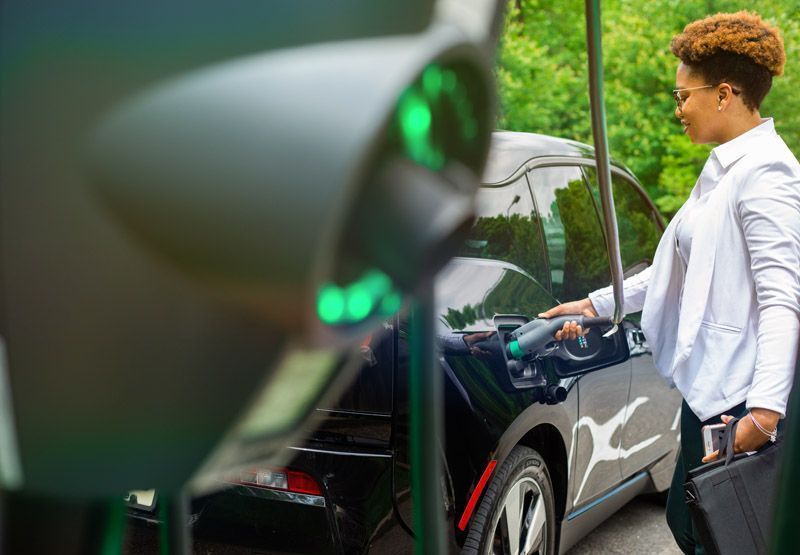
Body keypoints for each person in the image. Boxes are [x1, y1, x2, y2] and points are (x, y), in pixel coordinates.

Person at [539, 11, 800, 555]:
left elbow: (782, 300)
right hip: (706, 394)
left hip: (740, 402)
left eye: (683, 96)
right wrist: (592, 303)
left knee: (725, 536)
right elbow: (673, 272)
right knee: (691, 525)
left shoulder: (767, 175)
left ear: (724, 94)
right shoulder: (724, 171)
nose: (677, 109)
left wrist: (765, 414)